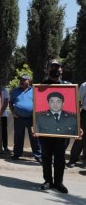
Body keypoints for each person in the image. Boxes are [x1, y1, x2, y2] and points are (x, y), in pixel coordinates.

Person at [37, 59, 82, 194]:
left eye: (58, 66)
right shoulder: (41, 87)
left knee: (60, 157)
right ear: (47, 69)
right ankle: (48, 181)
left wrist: (77, 125)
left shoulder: (69, 86)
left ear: (62, 69)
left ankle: (59, 182)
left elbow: (74, 108)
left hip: (63, 129)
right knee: (46, 156)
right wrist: (35, 126)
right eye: (53, 66)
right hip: (45, 129)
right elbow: (38, 109)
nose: (56, 69)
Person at [9, 75, 42, 163]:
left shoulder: (34, 90)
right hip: (19, 118)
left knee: (35, 137)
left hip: (32, 118)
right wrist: (13, 112)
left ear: (29, 81)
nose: (21, 81)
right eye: (21, 80)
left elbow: (40, 102)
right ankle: (17, 154)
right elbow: (11, 102)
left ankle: (38, 155)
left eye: (24, 80)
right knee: (18, 137)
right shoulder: (15, 91)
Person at [67, 81, 86, 168]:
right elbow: (78, 101)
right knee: (80, 137)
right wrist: (77, 117)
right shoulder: (84, 85)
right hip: (85, 114)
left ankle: (85, 161)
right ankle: (73, 159)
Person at [0, 86, 11, 154]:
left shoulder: (5, 91)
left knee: (4, 131)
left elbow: (6, 102)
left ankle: (5, 147)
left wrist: (0, 112)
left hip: (3, 114)